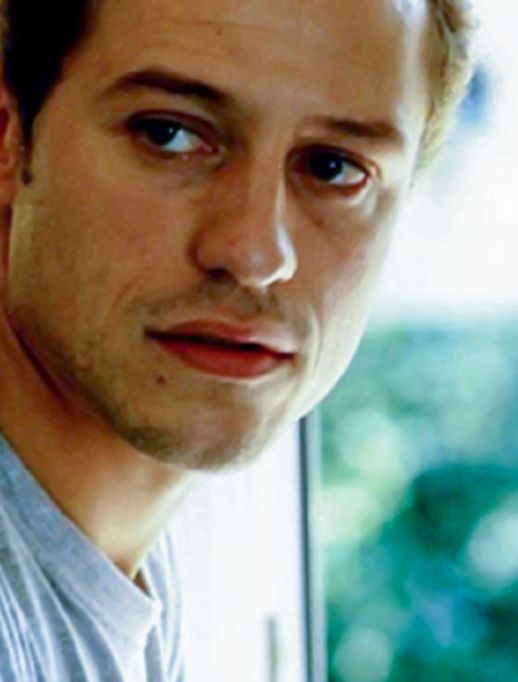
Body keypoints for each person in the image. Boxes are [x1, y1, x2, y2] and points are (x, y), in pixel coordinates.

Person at [0, 0, 473, 679]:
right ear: (10, 136)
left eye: (333, 168)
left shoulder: (112, 556)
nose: (255, 253)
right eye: (167, 134)